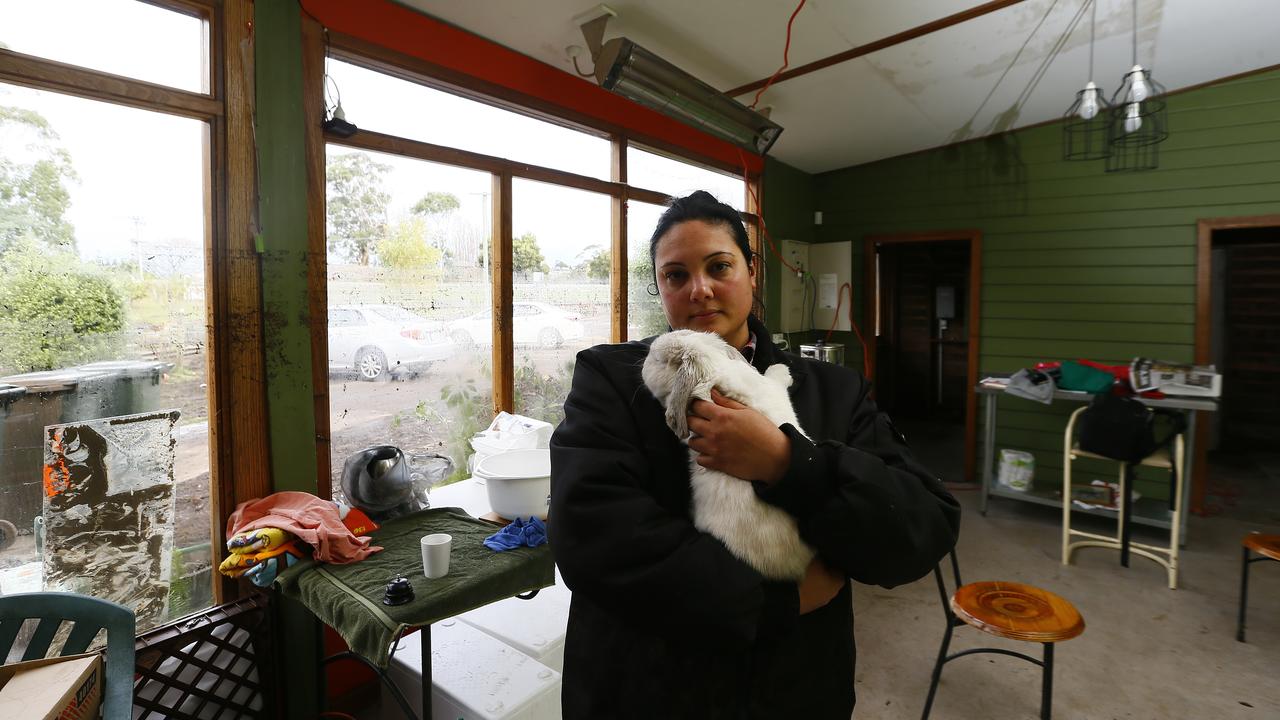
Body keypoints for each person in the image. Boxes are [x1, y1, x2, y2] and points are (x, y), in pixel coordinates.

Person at [549, 190, 961, 719]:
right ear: (659, 289)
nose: (699, 289)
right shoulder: (611, 380)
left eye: (719, 266)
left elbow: (920, 528)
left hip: (793, 688)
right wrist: (776, 600)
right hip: (646, 688)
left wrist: (788, 462)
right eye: (676, 275)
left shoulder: (833, 391)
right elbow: (591, 535)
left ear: (751, 271)